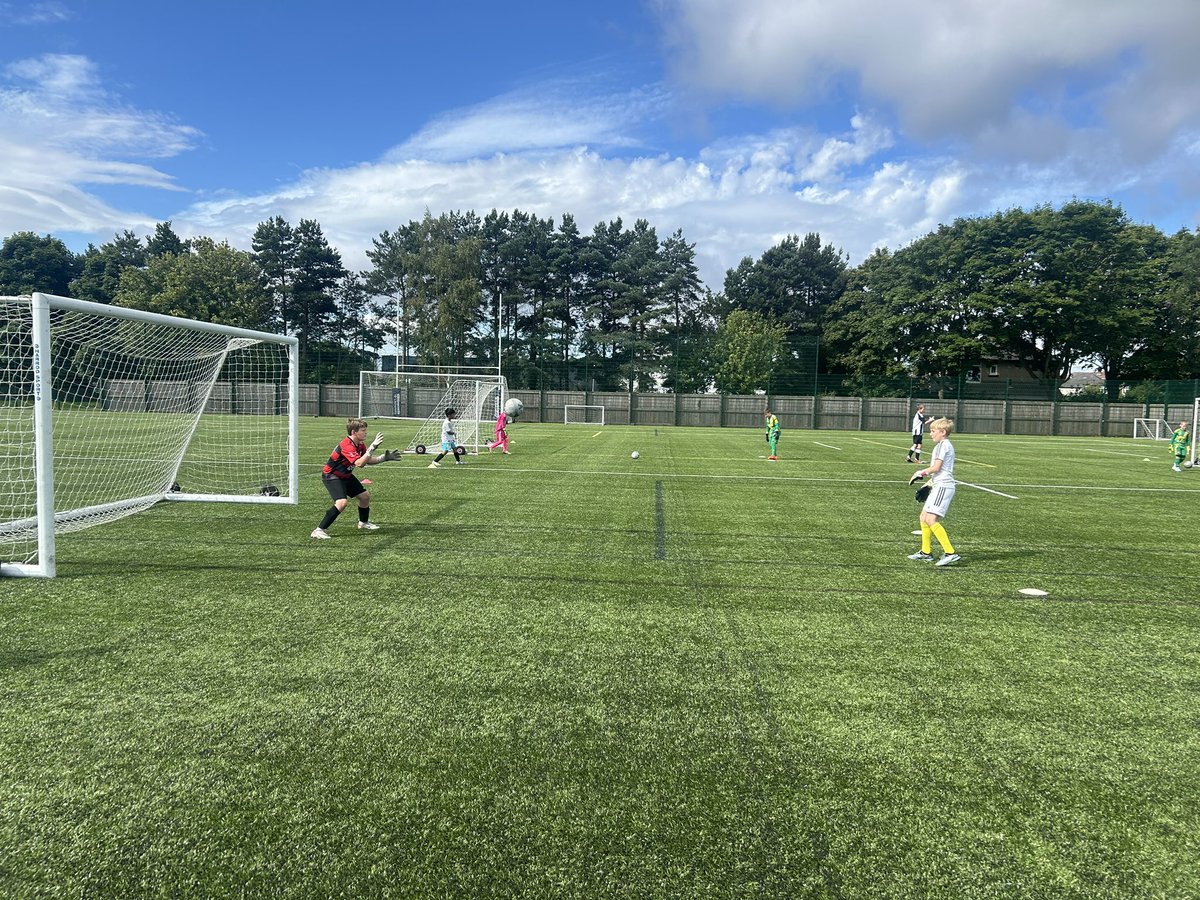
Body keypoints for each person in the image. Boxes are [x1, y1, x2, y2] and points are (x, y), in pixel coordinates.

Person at [312, 418, 400, 539]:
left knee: (364, 497)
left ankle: (363, 523)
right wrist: (372, 447)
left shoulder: (360, 444)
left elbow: (367, 460)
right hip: (332, 476)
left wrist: (383, 458)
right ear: (354, 432)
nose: (366, 433)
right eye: (363, 430)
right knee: (341, 502)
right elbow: (359, 464)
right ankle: (318, 530)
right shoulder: (346, 445)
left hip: (345, 475)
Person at [907, 417, 961, 567]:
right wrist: (929, 484)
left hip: (944, 486)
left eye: (933, 431)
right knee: (923, 517)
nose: (930, 434)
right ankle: (926, 552)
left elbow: (936, 468)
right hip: (939, 485)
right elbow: (939, 471)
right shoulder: (942, 445)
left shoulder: (944, 445)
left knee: (931, 519)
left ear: (942, 432)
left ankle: (950, 553)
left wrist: (920, 472)